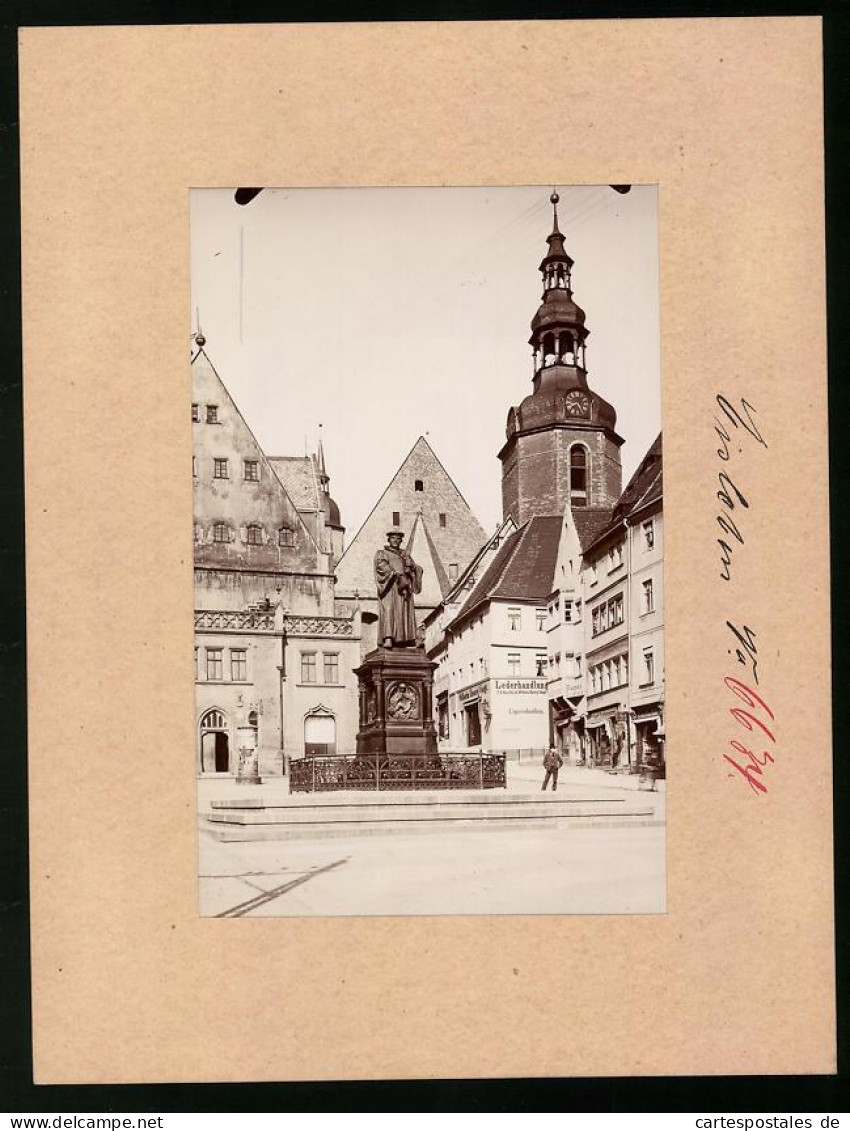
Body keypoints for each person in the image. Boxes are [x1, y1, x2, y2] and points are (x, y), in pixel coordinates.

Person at [374, 527, 423, 648]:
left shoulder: (405, 555)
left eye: (398, 539)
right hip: (391, 587)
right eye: (393, 538)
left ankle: (407, 639)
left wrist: (413, 566)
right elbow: (381, 566)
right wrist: (395, 574)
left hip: (404, 588)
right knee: (389, 610)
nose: (395, 540)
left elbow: (417, 569)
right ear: (389, 539)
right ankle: (388, 638)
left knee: (405, 612)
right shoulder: (383, 553)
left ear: (401, 541)